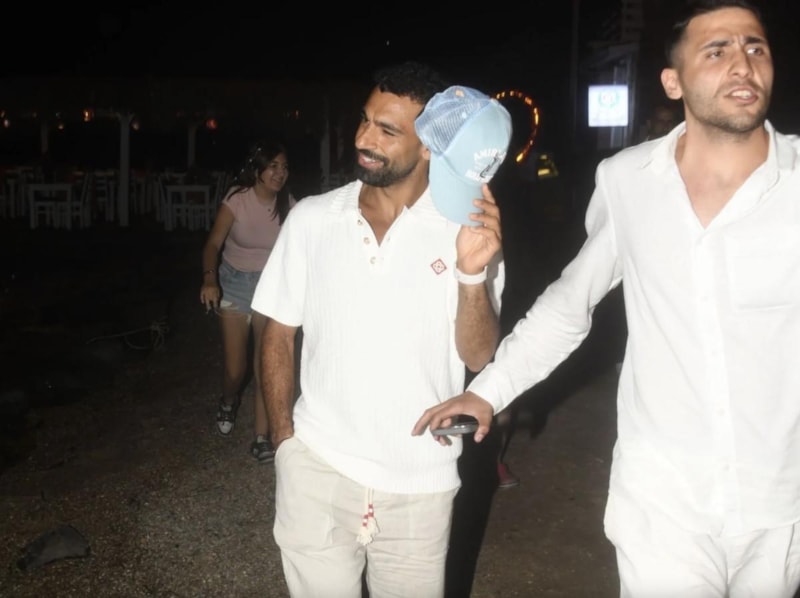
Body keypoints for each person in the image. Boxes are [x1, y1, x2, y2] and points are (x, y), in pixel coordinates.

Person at [413, 1, 800, 596]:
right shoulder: (627, 181)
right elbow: (571, 303)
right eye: (717, 50)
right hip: (663, 503)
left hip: (781, 501)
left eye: (755, 47)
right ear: (672, 82)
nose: (743, 64)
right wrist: (488, 391)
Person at [251, 61, 510, 597]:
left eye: (387, 130)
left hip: (420, 484)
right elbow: (277, 332)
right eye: (365, 120)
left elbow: (478, 355)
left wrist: (471, 275)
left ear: (429, 147)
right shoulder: (313, 219)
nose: (364, 138)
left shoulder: (466, 230)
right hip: (318, 468)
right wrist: (285, 443)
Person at [200, 140, 294, 464]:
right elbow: (212, 244)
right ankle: (228, 401)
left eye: (284, 167)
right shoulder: (237, 199)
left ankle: (261, 437)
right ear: (257, 170)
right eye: (273, 166)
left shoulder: (288, 204)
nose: (280, 173)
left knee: (265, 363)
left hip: (270, 288)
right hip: (235, 284)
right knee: (235, 369)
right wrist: (209, 279)